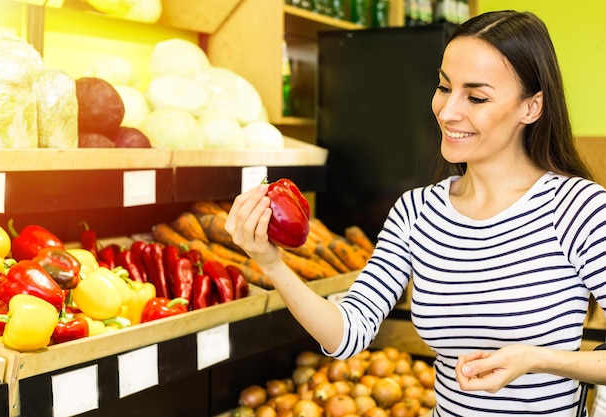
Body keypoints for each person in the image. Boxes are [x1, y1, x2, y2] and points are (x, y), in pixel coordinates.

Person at [225, 10, 606, 416]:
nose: (447, 111)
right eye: (444, 87)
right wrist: (272, 263)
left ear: (531, 108)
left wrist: (538, 359)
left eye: (475, 97)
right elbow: (347, 333)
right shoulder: (416, 212)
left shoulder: (577, 209)